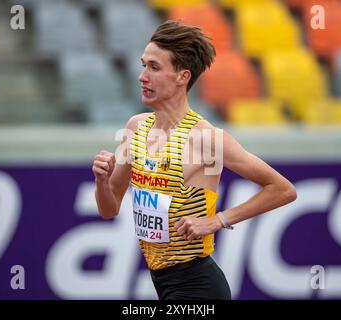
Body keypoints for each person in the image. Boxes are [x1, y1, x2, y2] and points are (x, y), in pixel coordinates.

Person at [93, 20, 297, 300]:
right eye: (143, 65)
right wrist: (101, 181)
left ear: (182, 76)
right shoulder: (135, 128)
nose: (142, 76)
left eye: (154, 67)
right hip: (161, 282)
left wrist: (217, 221)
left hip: (197, 285)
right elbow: (109, 208)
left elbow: (283, 189)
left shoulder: (206, 138)